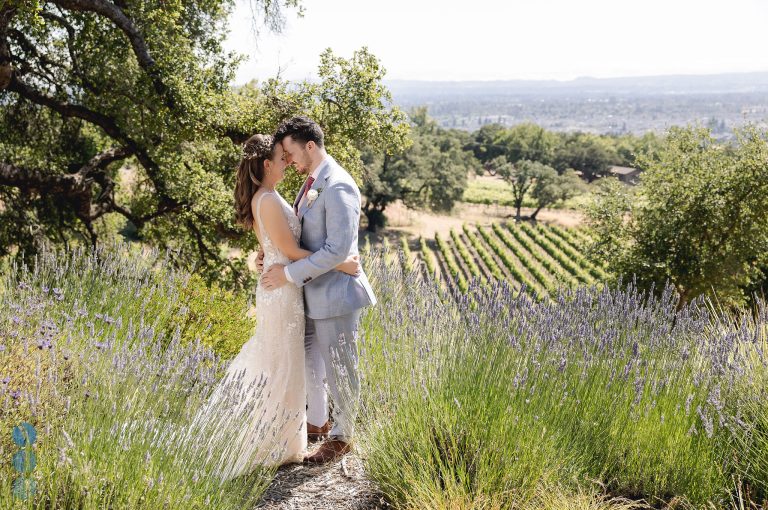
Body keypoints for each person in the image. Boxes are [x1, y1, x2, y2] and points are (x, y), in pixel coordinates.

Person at [191, 133, 360, 479]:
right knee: (279, 358)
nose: (288, 162)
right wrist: (341, 263)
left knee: (285, 359)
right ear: (267, 165)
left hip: (285, 283)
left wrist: (267, 255)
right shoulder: (267, 198)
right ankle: (273, 438)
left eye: (288, 155)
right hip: (282, 288)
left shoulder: (270, 196)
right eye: (282, 158)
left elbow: (277, 245)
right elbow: (292, 249)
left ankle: (287, 434)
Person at [260, 116, 377, 464]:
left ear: (309, 145)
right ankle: (318, 422)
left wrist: (289, 274)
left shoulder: (338, 185)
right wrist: (269, 255)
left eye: (291, 152)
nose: (289, 160)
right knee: (311, 361)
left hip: (337, 293)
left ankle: (344, 437)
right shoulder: (312, 181)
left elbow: (339, 250)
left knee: (341, 367)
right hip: (313, 293)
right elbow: (301, 233)